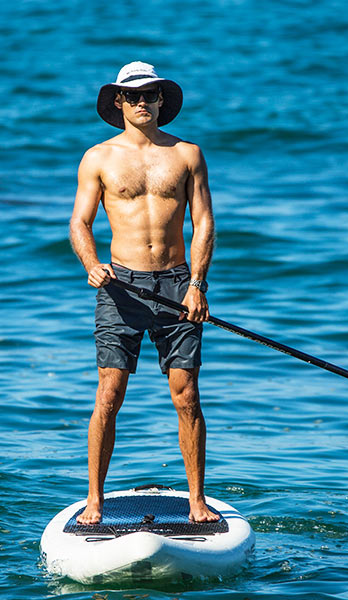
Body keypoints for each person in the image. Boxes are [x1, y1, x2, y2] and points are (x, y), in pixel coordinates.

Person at [69, 61, 218, 524]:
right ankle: (95, 498)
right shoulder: (98, 157)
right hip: (121, 287)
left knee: (186, 393)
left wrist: (197, 283)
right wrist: (92, 265)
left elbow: (204, 222)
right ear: (118, 102)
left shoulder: (188, 154)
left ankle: (197, 500)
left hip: (177, 285)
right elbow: (80, 222)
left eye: (150, 94)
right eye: (132, 96)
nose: (141, 102)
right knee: (109, 392)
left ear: (161, 101)